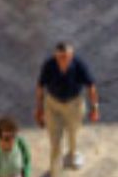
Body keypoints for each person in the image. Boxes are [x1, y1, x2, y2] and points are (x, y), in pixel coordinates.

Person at [34, 43, 99, 171]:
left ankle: (72, 155)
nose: (63, 60)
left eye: (66, 57)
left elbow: (91, 86)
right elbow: (40, 86)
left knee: (73, 133)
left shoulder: (79, 64)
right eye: (60, 57)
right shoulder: (49, 65)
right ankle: (55, 170)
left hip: (74, 104)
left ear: (71, 56)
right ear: (56, 56)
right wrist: (39, 109)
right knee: (55, 141)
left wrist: (95, 108)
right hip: (53, 105)